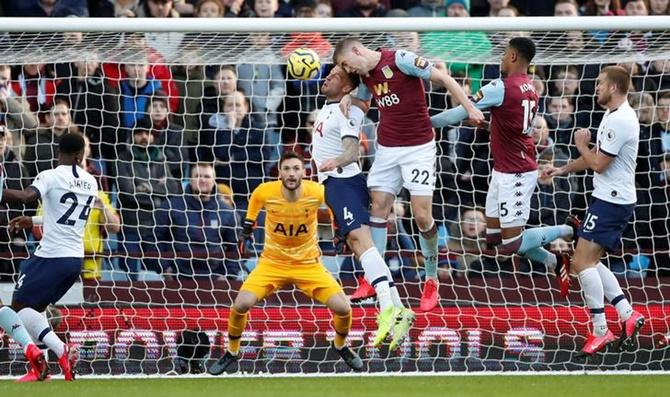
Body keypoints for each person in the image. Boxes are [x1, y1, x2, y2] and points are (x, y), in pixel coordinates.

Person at [333, 37, 484, 312]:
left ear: (356, 51)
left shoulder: (400, 59)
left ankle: (430, 279)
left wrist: (470, 107)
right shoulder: (365, 77)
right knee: (377, 208)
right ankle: (373, 278)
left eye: (346, 64)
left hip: (418, 148)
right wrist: (348, 98)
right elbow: (364, 104)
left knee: (422, 216)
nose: (348, 70)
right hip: (388, 148)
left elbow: (445, 80)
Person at [432, 37, 575, 294]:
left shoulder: (499, 86)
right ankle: (556, 262)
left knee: (511, 244)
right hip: (503, 171)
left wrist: (422, 123)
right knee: (495, 240)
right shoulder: (530, 88)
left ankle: (569, 228)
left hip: (517, 173)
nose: (500, 60)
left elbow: (458, 114)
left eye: (502, 55)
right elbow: (515, 127)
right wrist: (489, 126)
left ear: (512, 56)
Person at [208, 151, 362, 374]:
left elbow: (333, 204)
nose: (291, 174)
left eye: (296, 169)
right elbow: (255, 202)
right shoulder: (265, 191)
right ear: (279, 172)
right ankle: (232, 351)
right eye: (287, 169)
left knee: (344, 308)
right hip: (272, 263)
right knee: (240, 305)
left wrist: (338, 230)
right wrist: (247, 229)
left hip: (308, 264)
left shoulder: (316, 191)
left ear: (304, 172)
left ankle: (340, 345)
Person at [543, 66, 645, 358]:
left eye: (600, 83)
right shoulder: (613, 115)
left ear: (613, 87)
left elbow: (599, 164)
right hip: (607, 198)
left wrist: (580, 144)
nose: (596, 88)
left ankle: (601, 330)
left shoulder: (621, 119)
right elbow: (594, 159)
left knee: (581, 264)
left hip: (612, 202)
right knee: (587, 260)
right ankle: (627, 314)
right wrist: (562, 167)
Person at [311, 65, 414, 350]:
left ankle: (386, 307)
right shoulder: (334, 106)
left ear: (346, 87)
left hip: (344, 181)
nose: (328, 77)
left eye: (336, 76)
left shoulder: (348, 111)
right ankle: (398, 308)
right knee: (361, 248)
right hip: (336, 185)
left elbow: (353, 149)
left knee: (362, 243)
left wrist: (338, 161)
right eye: (329, 73)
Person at [2, 133, 97, 381]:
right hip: (74, 261)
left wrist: (2, 193)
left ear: (58, 152)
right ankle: (59, 354)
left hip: (50, 257)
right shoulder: (91, 182)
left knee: (14, 311)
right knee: (36, 310)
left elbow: (26, 197)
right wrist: (32, 220)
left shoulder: (50, 176)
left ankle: (39, 359)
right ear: (80, 155)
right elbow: (67, 218)